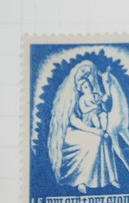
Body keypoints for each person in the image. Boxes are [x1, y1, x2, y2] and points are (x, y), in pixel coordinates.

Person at [47, 60, 119, 193]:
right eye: (83, 74)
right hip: (72, 132)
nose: (86, 78)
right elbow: (74, 121)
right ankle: (82, 181)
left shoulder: (92, 94)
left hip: (89, 128)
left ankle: (110, 179)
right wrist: (94, 131)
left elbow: (104, 109)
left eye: (88, 75)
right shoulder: (71, 97)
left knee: (106, 139)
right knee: (95, 139)